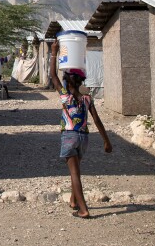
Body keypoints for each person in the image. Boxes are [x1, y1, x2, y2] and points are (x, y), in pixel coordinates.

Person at [50, 40, 112, 219]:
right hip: (84, 138)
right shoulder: (87, 98)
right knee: (75, 169)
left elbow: (53, 75)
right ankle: (73, 200)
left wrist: (54, 52)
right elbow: (97, 120)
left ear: (68, 82)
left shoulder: (65, 97)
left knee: (75, 174)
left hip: (69, 136)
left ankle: (84, 210)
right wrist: (106, 141)